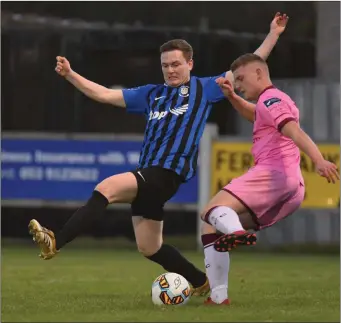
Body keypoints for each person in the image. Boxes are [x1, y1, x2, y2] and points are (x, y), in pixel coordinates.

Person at [28, 13, 289, 297]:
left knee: (107, 188)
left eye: (176, 63)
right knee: (149, 247)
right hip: (148, 173)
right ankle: (201, 282)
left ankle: (56, 241)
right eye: (165, 65)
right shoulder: (151, 94)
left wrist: (273, 34)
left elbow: (248, 66)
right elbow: (104, 94)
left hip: (167, 173)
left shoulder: (204, 88)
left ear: (190, 63)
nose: (170, 70)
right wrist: (70, 75)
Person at [200, 53, 339, 305]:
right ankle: (218, 297)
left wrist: (318, 159)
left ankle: (236, 232)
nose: (239, 85)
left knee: (212, 209)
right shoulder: (268, 102)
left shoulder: (272, 98)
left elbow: (294, 130)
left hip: (274, 174)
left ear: (259, 74)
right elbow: (256, 115)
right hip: (292, 190)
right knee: (211, 226)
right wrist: (232, 96)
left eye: (241, 79)